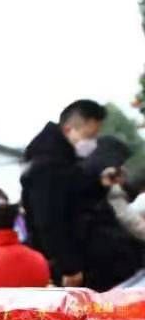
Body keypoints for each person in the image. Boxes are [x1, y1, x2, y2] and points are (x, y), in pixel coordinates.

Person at [21, 99, 106, 287]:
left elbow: (74, 195)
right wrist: (69, 266)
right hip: (60, 265)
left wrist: (100, 183)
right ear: (69, 129)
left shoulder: (64, 161)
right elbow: (48, 220)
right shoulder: (47, 165)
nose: (93, 142)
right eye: (89, 135)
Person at [74, 136, 142, 291]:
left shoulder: (81, 171)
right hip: (109, 256)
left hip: (87, 256)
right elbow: (127, 218)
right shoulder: (106, 178)